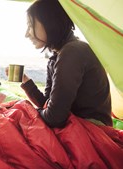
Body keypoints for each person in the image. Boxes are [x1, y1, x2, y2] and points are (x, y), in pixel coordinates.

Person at [9, 0, 112, 128]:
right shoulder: (57, 56)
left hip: (93, 129)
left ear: (49, 21)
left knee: (13, 118)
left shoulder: (73, 52)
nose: (26, 34)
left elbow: (55, 118)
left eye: (30, 25)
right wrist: (26, 82)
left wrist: (29, 112)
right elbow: (47, 104)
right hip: (76, 125)